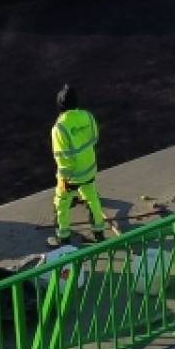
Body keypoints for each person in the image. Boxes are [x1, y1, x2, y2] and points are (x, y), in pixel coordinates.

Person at [51, 84, 118, 247]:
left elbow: (62, 156)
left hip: (71, 176)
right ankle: (99, 233)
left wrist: (65, 179)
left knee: (62, 203)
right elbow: (94, 138)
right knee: (93, 200)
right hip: (88, 170)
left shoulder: (59, 127)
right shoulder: (87, 117)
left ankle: (64, 238)